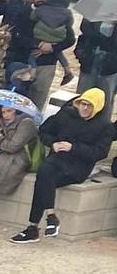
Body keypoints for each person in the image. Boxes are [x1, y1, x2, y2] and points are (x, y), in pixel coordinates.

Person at [12, 90, 114, 241]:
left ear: (97, 107)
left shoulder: (104, 126)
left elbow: (100, 152)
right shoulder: (66, 115)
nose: (84, 108)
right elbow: (44, 131)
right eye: (82, 104)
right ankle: (47, 219)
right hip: (56, 159)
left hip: (78, 166)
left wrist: (73, 148)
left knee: (44, 176)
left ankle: (35, 227)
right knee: (45, 175)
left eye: (89, 106)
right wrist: (53, 143)